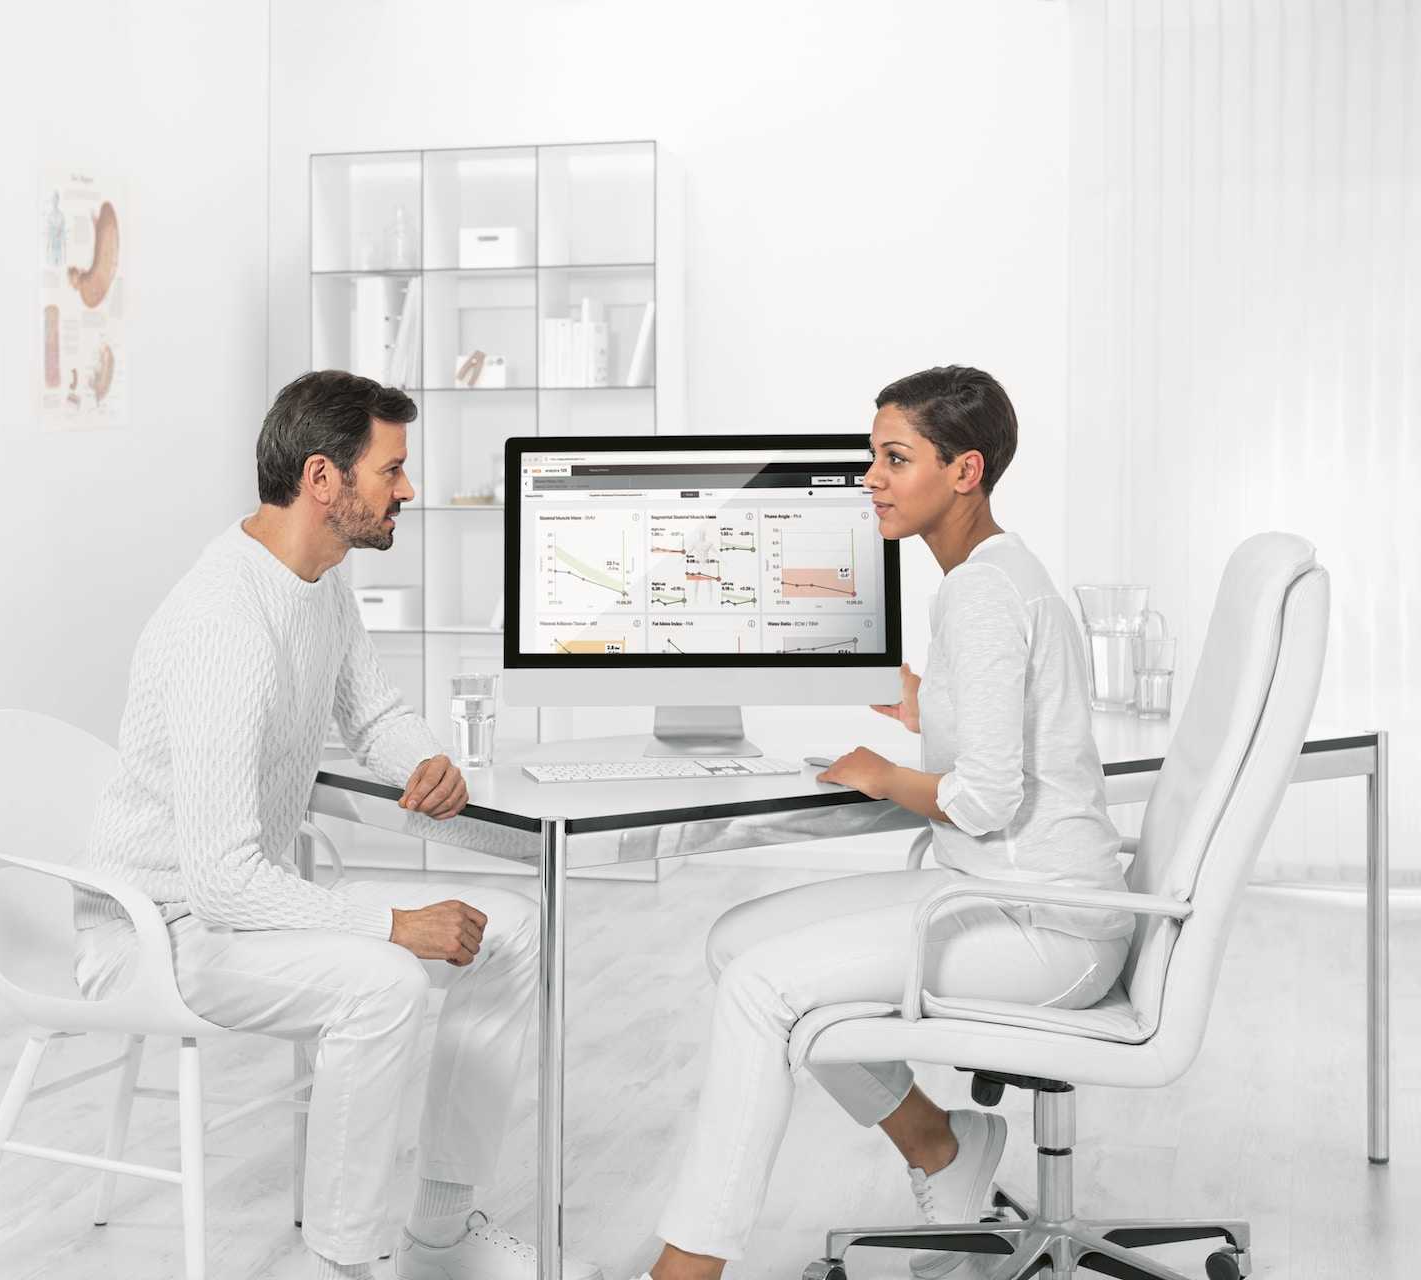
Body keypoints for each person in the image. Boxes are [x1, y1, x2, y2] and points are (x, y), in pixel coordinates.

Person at [74, 369, 602, 1280]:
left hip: (244, 909)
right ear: (325, 480)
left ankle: (439, 1232)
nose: (408, 489)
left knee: (513, 930)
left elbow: (374, 714)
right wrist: (397, 928)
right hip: (157, 931)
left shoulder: (319, 581)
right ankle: (346, 1264)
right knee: (382, 983)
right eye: (392, 470)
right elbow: (222, 880)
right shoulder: (224, 623)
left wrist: (423, 761)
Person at [628, 367, 1133, 1280]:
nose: (871, 478)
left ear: (965, 469)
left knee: (761, 988)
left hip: (1044, 924)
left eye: (895, 458)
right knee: (736, 942)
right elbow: (995, 722)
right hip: (1010, 896)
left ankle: (689, 1265)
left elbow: (984, 799)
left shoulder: (977, 595)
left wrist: (882, 774)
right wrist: (911, 699)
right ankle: (940, 1144)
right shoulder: (998, 573)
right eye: (873, 456)